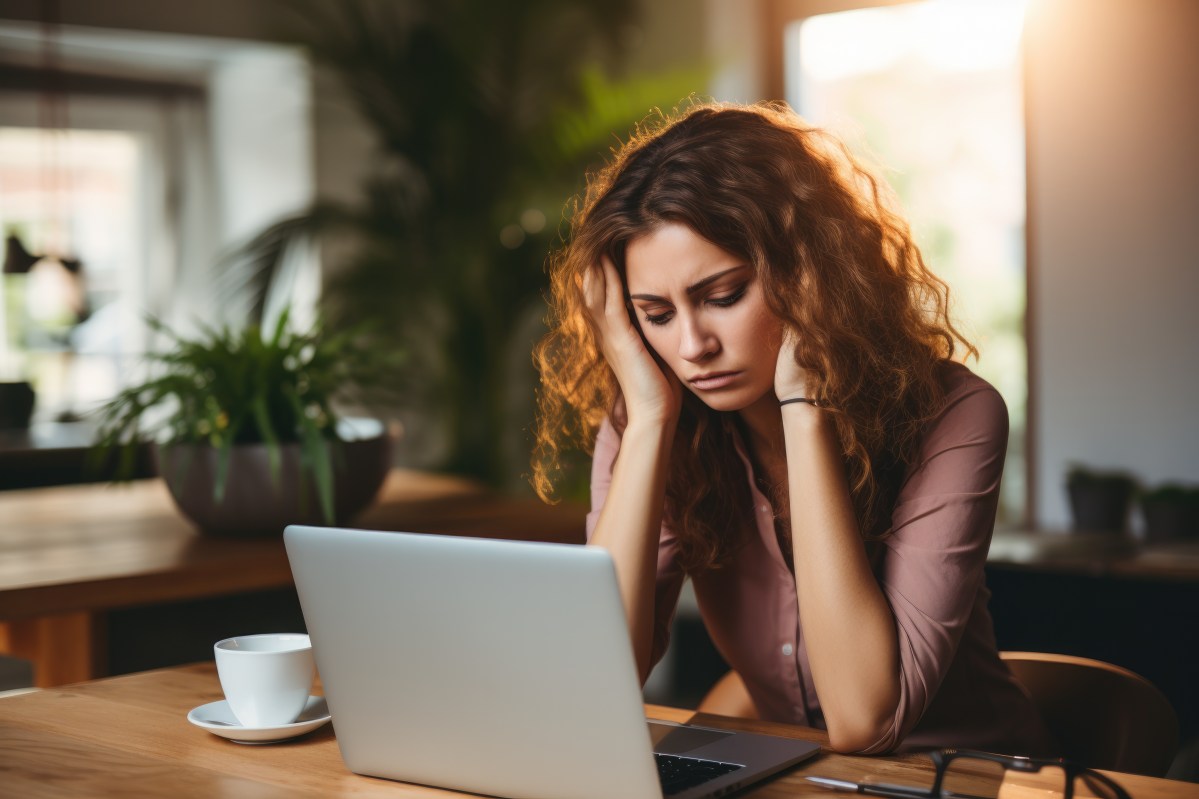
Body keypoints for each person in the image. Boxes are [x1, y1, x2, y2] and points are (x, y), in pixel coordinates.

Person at [531, 101, 1055, 756]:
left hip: (966, 775)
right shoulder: (650, 419)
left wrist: (802, 400)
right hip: (791, 775)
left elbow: (863, 718)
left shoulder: (953, 414)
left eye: (722, 296)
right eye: (654, 313)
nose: (692, 344)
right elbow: (589, 682)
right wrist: (647, 422)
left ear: (808, 275)